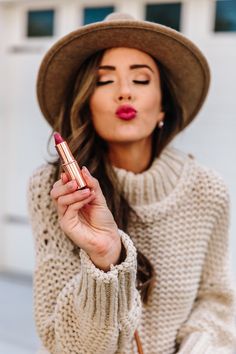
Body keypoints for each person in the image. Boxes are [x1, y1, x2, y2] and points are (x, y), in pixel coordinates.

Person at [28, 12, 236, 354]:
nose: (124, 92)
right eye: (104, 81)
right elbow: (65, 345)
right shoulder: (56, 189)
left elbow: (216, 301)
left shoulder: (208, 191)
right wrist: (103, 258)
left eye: (140, 80)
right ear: (86, 104)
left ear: (163, 107)